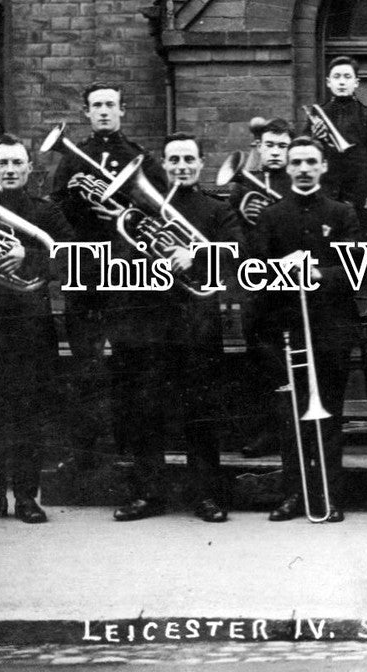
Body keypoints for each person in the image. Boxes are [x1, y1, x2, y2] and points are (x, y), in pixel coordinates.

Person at [112, 133, 243, 522]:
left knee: (200, 414)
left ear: (201, 163)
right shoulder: (141, 208)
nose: (181, 166)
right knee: (146, 413)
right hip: (150, 326)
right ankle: (148, 495)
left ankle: (206, 497)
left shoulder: (218, 209)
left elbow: (237, 255)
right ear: (164, 164)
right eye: (174, 160)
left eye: (188, 159)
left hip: (197, 326)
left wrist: (196, 254)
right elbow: (122, 259)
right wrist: (152, 259)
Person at [49, 82, 170, 475]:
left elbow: (158, 209)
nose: (104, 111)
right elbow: (56, 212)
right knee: (84, 362)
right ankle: (84, 453)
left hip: (127, 269)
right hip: (86, 270)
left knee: (128, 361)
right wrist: (76, 198)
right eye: (96, 105)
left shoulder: (139, 157)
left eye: (110, 104)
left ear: (122, 110)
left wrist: (122, 216)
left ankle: (128, 448)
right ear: (86, 112)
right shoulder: (72, 158)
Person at [251, 138, 360, 523]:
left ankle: (331, 496)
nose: (303, 168)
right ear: (288, 167)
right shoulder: (271, 215)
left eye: (311, 161)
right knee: (291, 418)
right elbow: (256, 272)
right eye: (296, 162)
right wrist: (284, 268)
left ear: (323, 166)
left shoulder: (343, 213)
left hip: (332, 327)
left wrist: (316, 273)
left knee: (329, 415)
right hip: (287, 328)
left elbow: (355, 269)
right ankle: (293, 495)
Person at [0, 137, 73, 524]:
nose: (10, 170)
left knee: (27, 415)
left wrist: (27, 256)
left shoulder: (45, 212)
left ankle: (27, 498)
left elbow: (74, 256)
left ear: (30, 168)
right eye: (3, 163)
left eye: (17, 163)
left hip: (29, 329)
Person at [229, 117, 294, 459]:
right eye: (270, 145)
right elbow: (232, 234)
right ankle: (265, 432)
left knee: (289, 358)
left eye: (283, 146)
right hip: (255, 281)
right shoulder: (242, 188)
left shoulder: (295, 184)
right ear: (260, 146)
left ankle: (292, 431)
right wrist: (245, 218)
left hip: (290, 283)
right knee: (259, 359)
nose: (275, 152)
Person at [309, 56, 367, 230]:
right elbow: (303, 149)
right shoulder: (318, 113)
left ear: (356, 83)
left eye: (347, 77)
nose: (342, 82)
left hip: (358, 191)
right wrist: (314, 138)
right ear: (328, 82)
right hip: (325, 188)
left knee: (356, 234)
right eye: (336, 77)